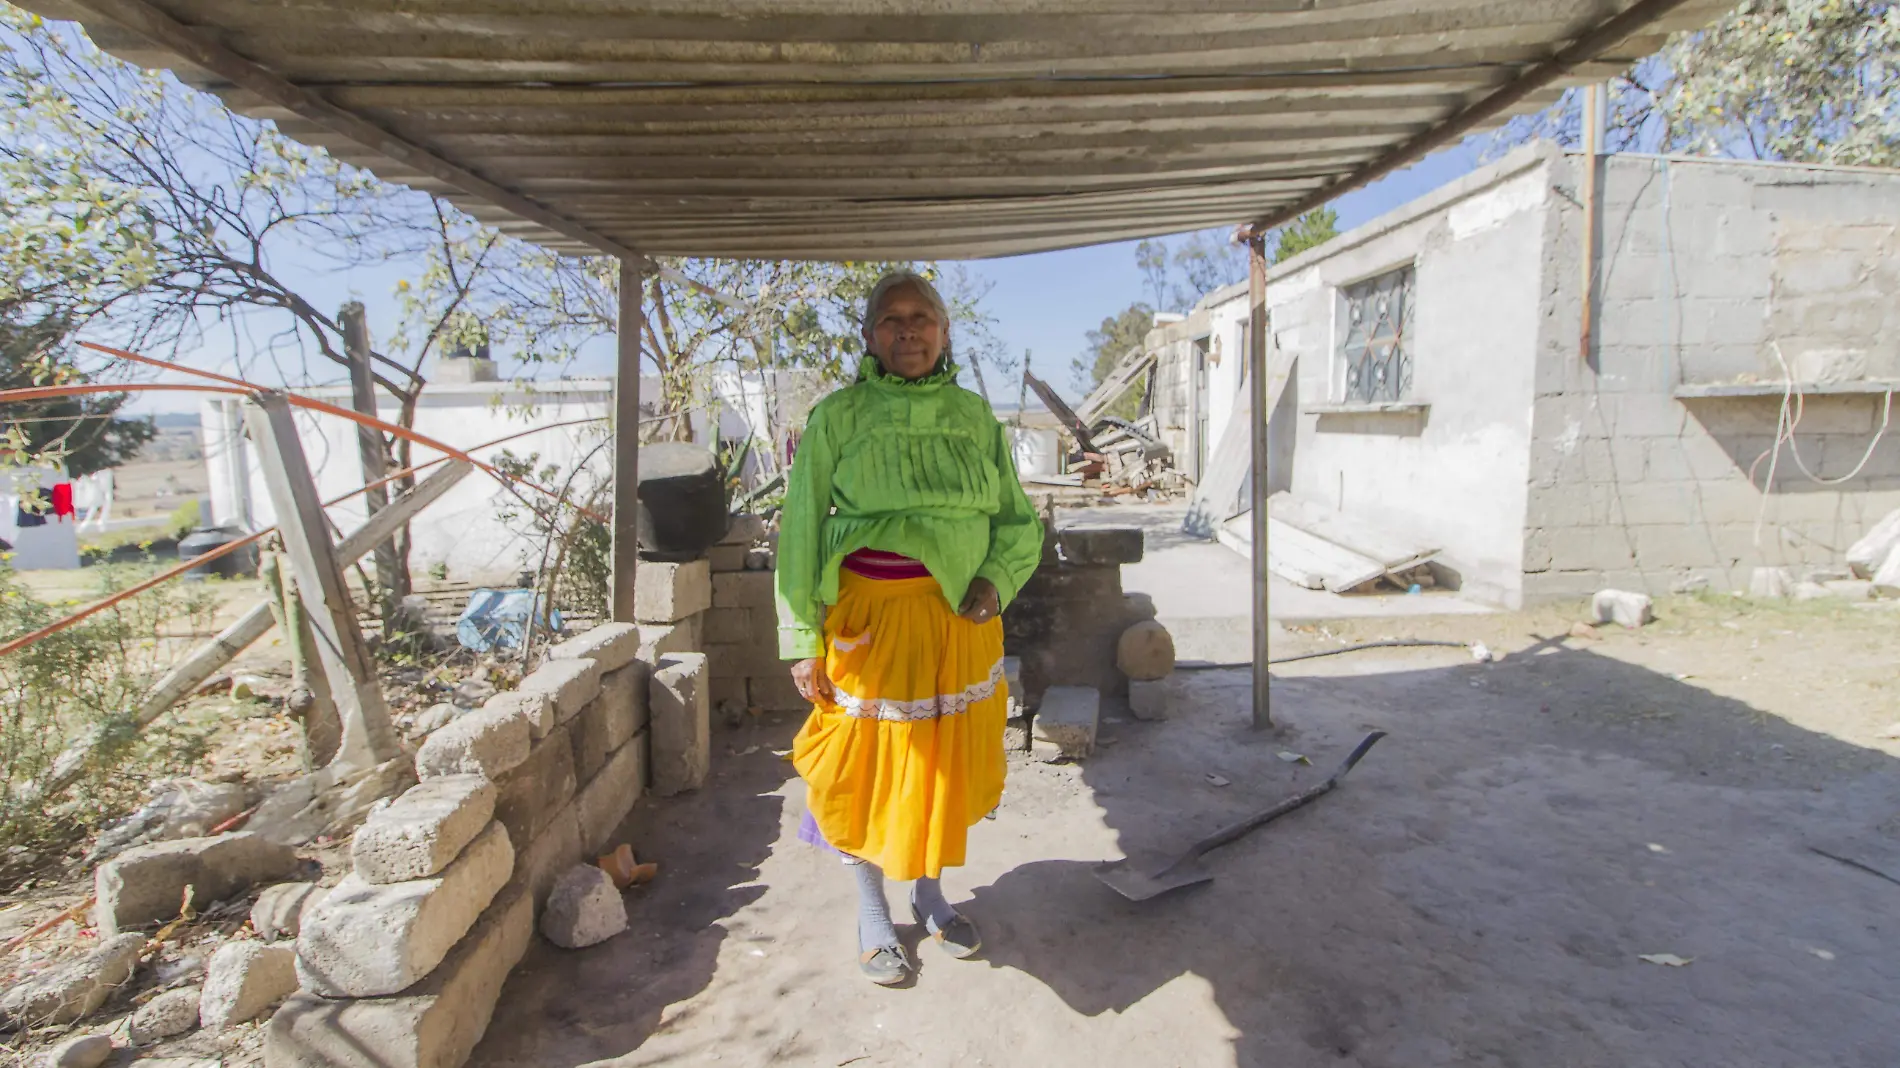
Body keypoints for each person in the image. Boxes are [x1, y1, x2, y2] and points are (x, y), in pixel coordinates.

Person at [775, 270, 1042, 985]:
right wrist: (803, 638)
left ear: (944, 331)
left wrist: (996, 581)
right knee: (860, 770)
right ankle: (872, 911)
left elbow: (1017, 522)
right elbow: (799, 528)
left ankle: (929, 897)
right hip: (869, 625)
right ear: (868, 338)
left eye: (921, 318)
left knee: (942, 768)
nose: (908, 331)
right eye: (890, 320)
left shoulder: (975, 418)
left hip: (960, 623)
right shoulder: (838, 416)